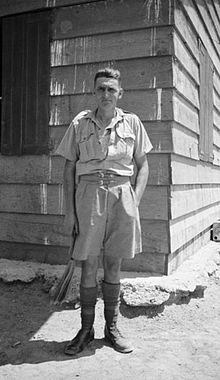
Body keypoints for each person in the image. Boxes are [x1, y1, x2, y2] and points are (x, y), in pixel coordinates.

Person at [56, 67, 153, 355]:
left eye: (111, 89)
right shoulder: (79, 123)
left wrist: (134, 203)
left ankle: (112, 328)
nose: (106, 94)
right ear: (94, 93)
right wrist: (70, 212)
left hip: (123, 196)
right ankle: (86, 329)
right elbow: (69, 166)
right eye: (101, 89)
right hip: (88, 197)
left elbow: (143, 165)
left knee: (113, 264)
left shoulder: (132, 123)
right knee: (88, 264)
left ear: (119, 93)